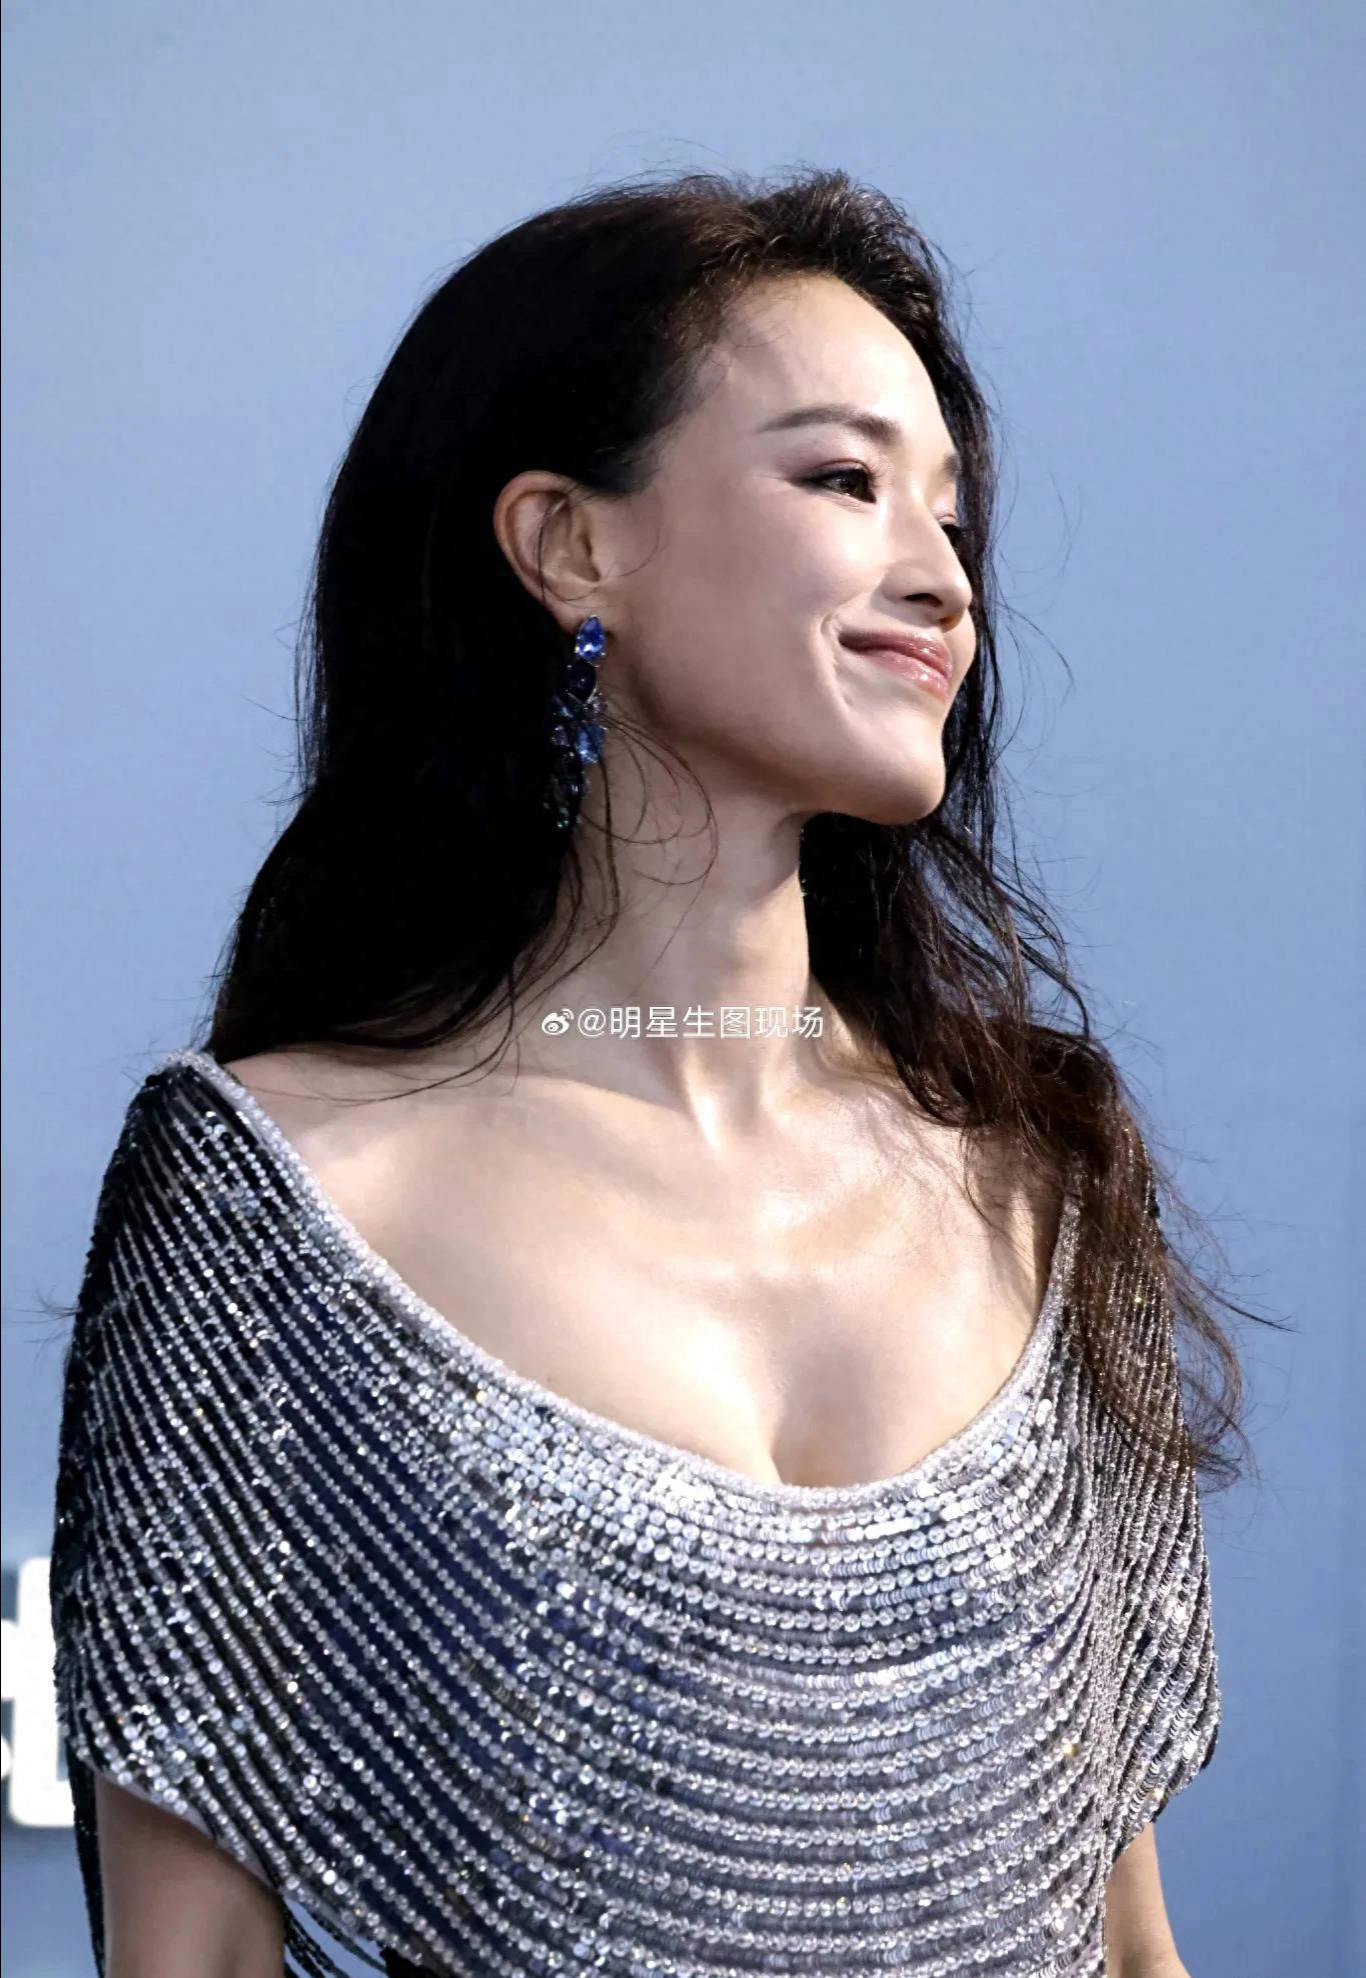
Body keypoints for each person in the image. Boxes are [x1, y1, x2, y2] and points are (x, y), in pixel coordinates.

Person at [50, 167, 1251, 1978]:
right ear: (567, 546)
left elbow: (1126, 1939)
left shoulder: (1043, 1169)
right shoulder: (279, 1197)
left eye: (949, 512)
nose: (941, 576)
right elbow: (190, 1958)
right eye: (842, 480)